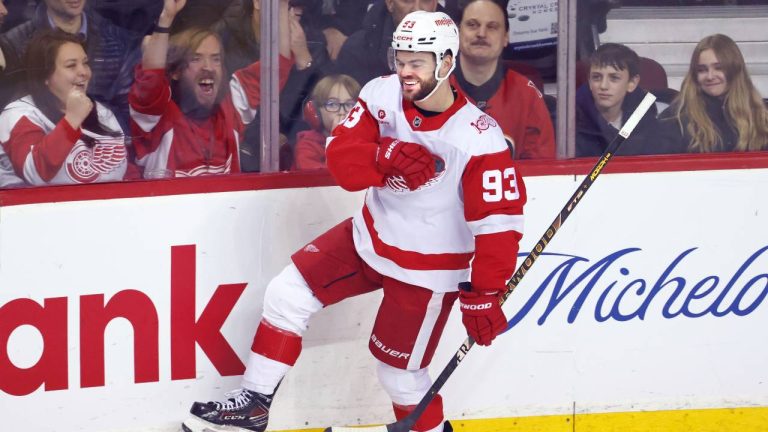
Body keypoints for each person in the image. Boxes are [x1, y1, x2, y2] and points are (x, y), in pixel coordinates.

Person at [182, 10, 526, 432]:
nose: (405, 71)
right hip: (371, 235)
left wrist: (485, 292)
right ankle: (251, 407)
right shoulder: (381, 94)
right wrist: (381, 157)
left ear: (446, 62)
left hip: (427, 270)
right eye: (400, 58)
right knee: (287, 293)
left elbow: (498, 224)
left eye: (417, 61)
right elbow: (342, 162)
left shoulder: (478, 136)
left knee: (398, 372)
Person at [128, 0, 296, 178]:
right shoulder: (158, 118)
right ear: (176, 71)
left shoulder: (230, 107)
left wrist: (281, 5)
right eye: (196, 58)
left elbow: (279, 64)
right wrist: (166, 19)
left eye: (215, 59)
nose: (208, 66)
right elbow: (151, 77)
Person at [215, 0, 331, 171]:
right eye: (287, 7)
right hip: (237, 151)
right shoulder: (223, 37)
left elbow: (328, 103)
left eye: (297, 7)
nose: (295, 12)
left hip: (290, 150)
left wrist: (303, 58)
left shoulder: (310, 39)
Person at [0, 30, 127, 186]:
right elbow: (36, 174)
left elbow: (123, 170)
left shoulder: (101, 112)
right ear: (44, 76)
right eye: (71, 65)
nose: (84, 72)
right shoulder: (19, 115)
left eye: (85, 63)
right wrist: (71, 121)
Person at [0, 0, 141, 128]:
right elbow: (12, 118)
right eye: (71, 65)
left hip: (105, 145)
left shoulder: (120, 42)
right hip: (40, 144)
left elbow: (129, 116)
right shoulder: (13, 44)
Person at [451, 0, 554, 159]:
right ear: (457, 32)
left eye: (492, 27)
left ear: (505, 37)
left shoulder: (527, 95)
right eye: (472, 25)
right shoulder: (432, 89)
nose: (481, 33)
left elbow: (540, 174)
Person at [658, 33, 768, 154]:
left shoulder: (761, 114)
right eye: (702, 70)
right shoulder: (675, 117)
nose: (710, 76)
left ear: (734, 70)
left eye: (718, 68)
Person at [575, 43, 662, 157]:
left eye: (614, 78)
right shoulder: (572, 122)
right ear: (589, 81)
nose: (603, 86)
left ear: (632, 83)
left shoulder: (646, 120)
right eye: (596, 77)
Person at [335, 0, 439, 87]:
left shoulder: (451, 46)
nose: (416, 9)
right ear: (390, 3)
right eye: (407, 0)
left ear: (434, 4)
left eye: (426, 0)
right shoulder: (357, 48)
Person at [293, 73, 360, 170]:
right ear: (316, 111)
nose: (342, 112)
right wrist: (337, 142)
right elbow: (323, 180)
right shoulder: (306, 146)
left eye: (350, 105)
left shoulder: (365, 142)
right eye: (332, 104)